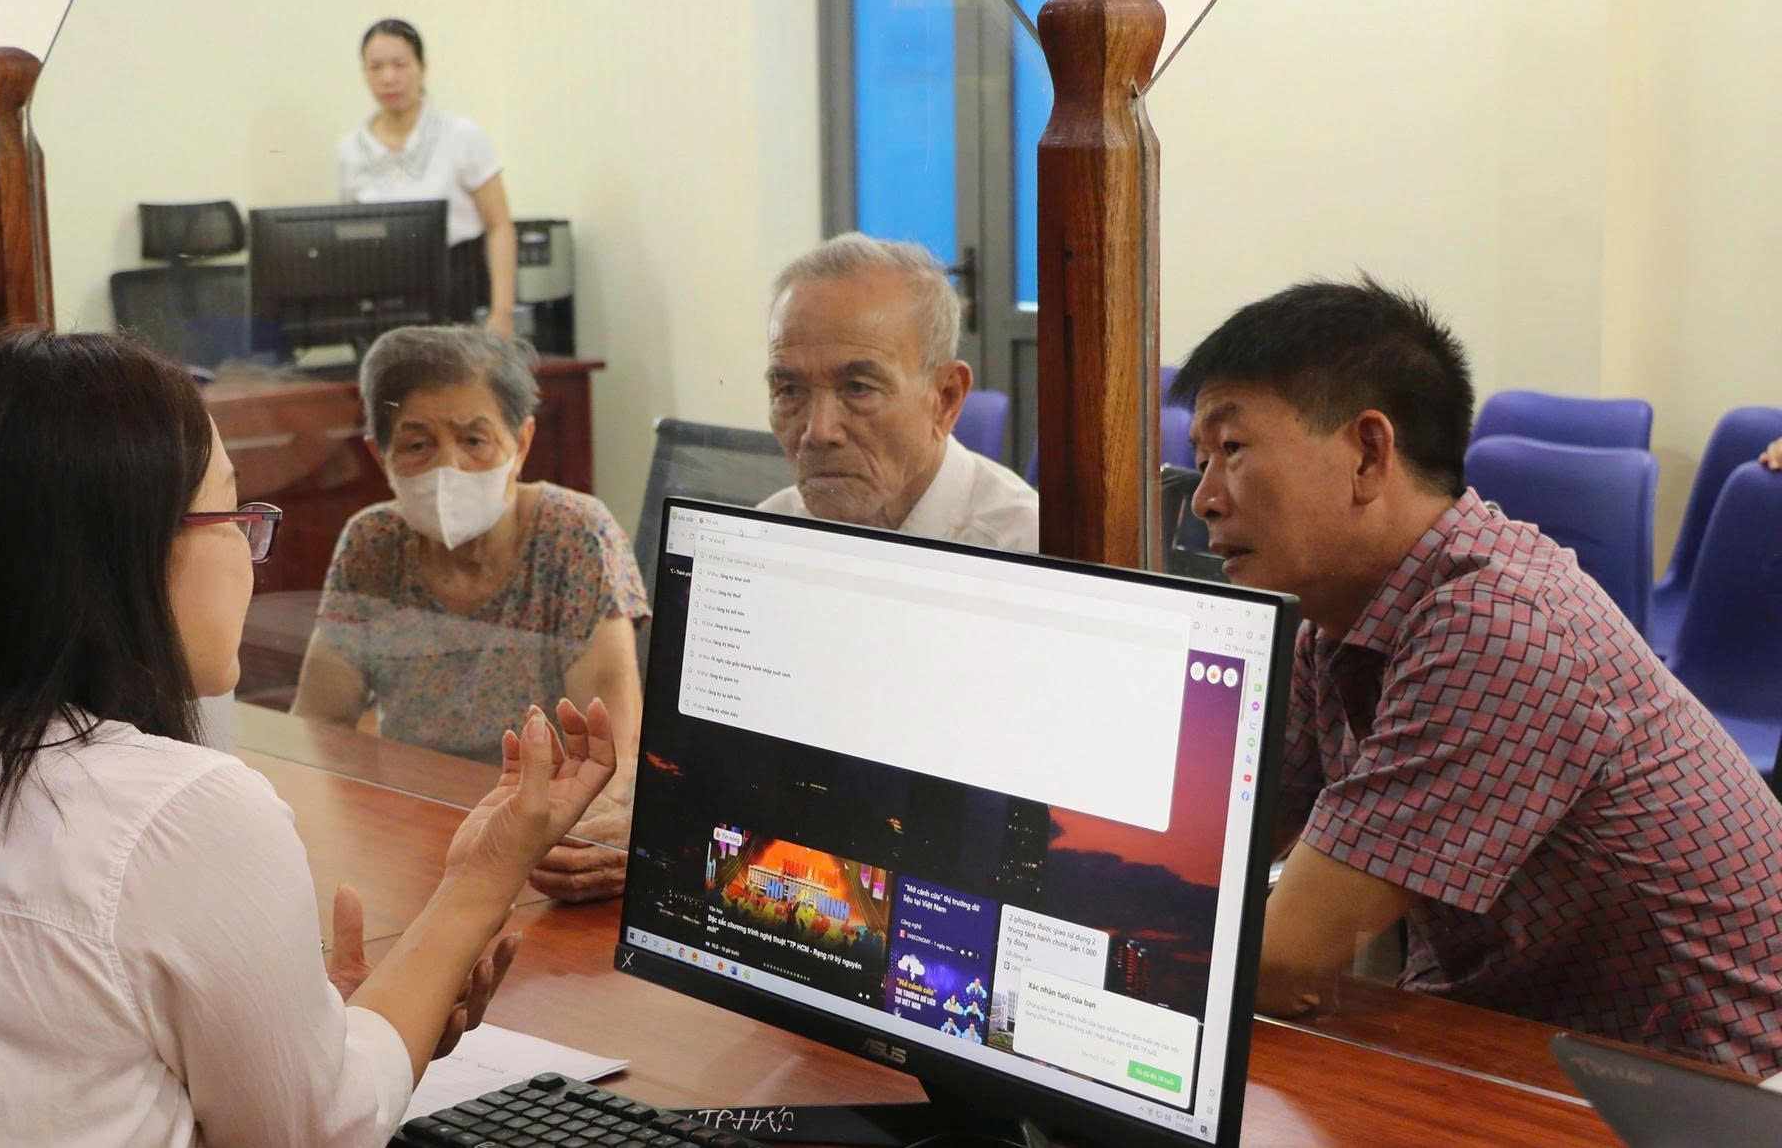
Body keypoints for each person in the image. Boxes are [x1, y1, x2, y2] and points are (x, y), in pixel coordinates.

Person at [0, 330, 615, 1145]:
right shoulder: (178, 814)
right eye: (231, 510)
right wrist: (485, 876)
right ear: (121, 548)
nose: (249, 552)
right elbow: (323, 1131)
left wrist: (300, 1030)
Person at [1170, 277, 1782, 1075]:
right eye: (1201, 460)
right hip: (1536, 1039)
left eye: (1234, 450)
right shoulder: (1344, 618)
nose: (1205, 500)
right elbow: (1219, 844)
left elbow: (1283, 959)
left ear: (1367, 452)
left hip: (1701, 1091)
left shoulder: (1497, 626)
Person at [292, 325, 646, 902]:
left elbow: (614, 759)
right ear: (377, 456)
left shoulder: (575, 535)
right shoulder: (372, 543)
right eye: (416, 445)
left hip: (542, 850)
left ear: (522, 443)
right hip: (411, 835)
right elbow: (318, 727)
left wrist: (576, 848)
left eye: (474, 441)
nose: (447, 468)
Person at [757, 232, 1038, 551]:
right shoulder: (767, 531)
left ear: (946, 399)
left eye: (858, 388)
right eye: (790, 390)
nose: (819, 432)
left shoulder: (1025, 551)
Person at [339, 18, 515, 332]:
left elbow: (499, 224)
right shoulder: (351, 149)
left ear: (423, 67)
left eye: (400, 64)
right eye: (376, 67)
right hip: (384, 303)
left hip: (458, 291)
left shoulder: (462, 135)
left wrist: (501, 314)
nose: (388, 78)